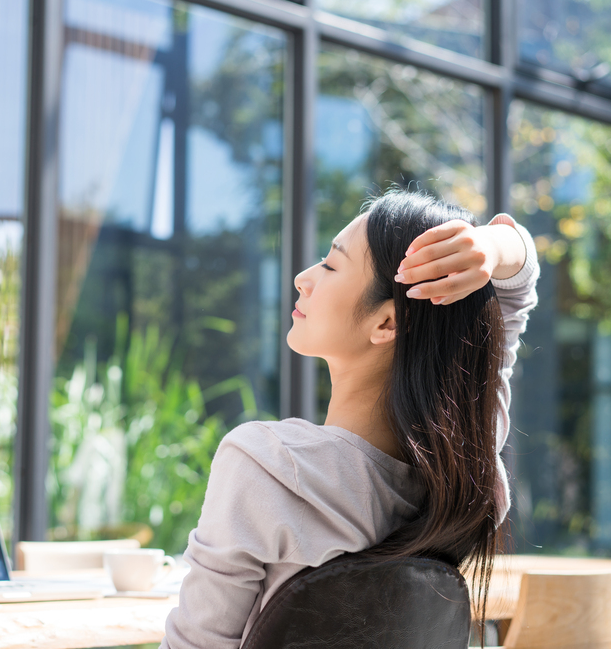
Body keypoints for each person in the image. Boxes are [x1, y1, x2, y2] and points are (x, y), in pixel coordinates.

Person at [159, 191, 540, 649]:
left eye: (331, 265)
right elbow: (516, 292)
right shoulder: (468, 462)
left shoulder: (270, 466)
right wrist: (493, 247)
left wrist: (485, 247)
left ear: (386, 324)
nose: (303, 278)